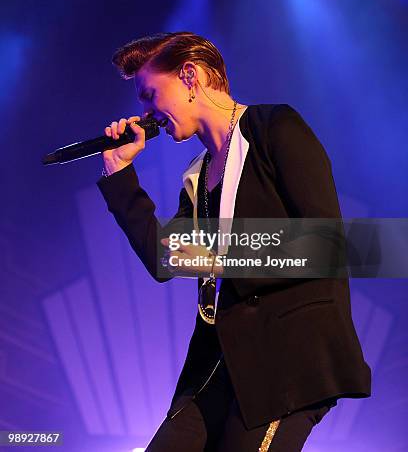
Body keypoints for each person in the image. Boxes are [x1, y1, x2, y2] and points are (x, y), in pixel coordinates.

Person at [97, 31, 371, 451]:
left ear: (190, 77)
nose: (148, 114)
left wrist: (220, 254)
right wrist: (119, 174)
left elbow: (325, 244)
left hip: (285, 361)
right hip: (214, 365)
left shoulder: (274, 129)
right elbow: (164, 259)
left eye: (151, 95)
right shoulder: (197, 174)